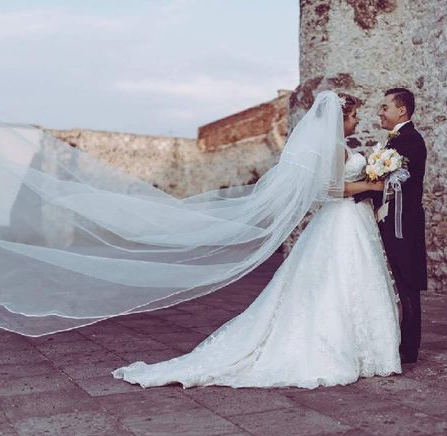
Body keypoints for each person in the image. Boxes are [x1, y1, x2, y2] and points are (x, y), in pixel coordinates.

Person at [113, 91, 402, 388]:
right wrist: (373, 186)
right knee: (337, 279)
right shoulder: (334, 149)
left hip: (352, 219)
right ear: (339, 120)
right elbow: (330, 189)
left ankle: (363, 349)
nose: (357, 120)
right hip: (341, 219)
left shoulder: (339, 147)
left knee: (348, 278)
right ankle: (339, 347)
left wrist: (369, 184)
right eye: (353, 116)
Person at [355, 88, 427, 364]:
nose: (380, 112)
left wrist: (356, 192)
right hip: (392, 221)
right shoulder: (396, 141)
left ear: (402, 110)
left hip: (403, 225)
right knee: (396, 282)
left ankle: (409, 349)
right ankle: (400, 341)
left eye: (384, 107)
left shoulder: (409, 141)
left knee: (407, 282)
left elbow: (391, 185)